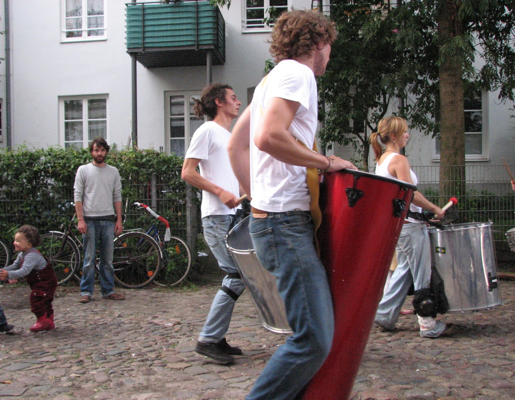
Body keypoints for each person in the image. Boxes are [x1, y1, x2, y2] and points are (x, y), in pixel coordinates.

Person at [228, 10, 357, 399]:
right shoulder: (297, 74)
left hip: (272, 220)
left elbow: (238, 143)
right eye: (330, 43)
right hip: (284, 224)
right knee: (313, 339)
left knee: (311, 333)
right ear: (318, 41)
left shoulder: (270, 80)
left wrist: (257, 197)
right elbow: (268, 137)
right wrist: (326, 161)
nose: (330, 52)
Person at [370, 116, 453, 338]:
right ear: (395, 136)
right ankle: (427, 323)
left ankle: (385, 314)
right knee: (421, 273)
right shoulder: (399, 160)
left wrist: (424, 214)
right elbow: (410, 194)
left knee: (405, 270)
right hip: (410, 227)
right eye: (405, 131)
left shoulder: (382, 160)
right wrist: (435, 208)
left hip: (401, 226)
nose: (408, 135)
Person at [181, 83, 245, 365]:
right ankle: (208, 339)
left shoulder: (228, 135)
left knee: (241, 277)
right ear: (219, 102)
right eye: (233, 98)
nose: (238, 102)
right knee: (237, 276)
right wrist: (220, 192)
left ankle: (216, 338)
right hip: (217, 218)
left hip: (235, 217)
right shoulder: (207, 131)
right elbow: (187, 172)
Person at [74, 137, 125, 303]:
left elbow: (117, 196)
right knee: (89, 259)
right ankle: (86, 291)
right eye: (96, 150)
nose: (99, 153)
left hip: (108, 220)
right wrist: (80, 219)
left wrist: (119, 220)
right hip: (89, 220)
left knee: (108, 260)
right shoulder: (83, 170)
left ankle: (108, 290)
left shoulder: (113, 172)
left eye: (102, 150)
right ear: (91, 152)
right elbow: (78, 196)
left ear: (106, 152)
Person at [0, 225, 58, 332]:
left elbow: (24, 271)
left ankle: (42, 321)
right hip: (41, 282)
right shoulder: (22, 254)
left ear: (29, 244)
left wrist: (8, 275)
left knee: (36, 299)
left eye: (18, 241)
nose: (14, 243)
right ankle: (49, 320)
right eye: (15, 240)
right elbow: (15, 266)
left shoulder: (31, 256)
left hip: (46, 282)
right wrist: (1, 271)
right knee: (45, 301)